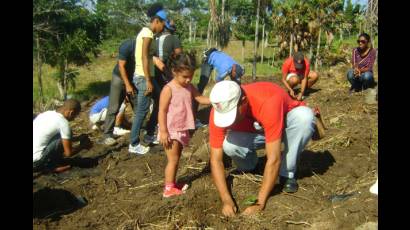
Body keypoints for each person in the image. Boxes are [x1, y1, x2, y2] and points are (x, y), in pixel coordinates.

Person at [208, 81, 316, 217]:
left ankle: (287, 173)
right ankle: (251, 166)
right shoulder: (219, 108)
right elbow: (216, 161)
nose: (230, 122)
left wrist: (260, 202)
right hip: (257, 130)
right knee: (229, 144)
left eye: (232, 115)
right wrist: (226, 200)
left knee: (304, 118)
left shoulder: (267, 100)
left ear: (244, 101)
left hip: (285, 126)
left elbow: (274, 158)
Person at [158, 53, 210, 197]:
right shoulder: (168, 89)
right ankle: (168, 189)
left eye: (191, 76)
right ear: (174, 72)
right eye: (185, 77)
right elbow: (161, 111)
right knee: (173, 159)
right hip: (171, 130)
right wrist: (163, 131)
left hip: (182, 128)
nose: (188, 80)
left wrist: (215, 100)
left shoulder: (189, 87)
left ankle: (172, 184)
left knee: (177, 157)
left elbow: (199, 98)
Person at [128, 3, 167, 155]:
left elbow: (151, 57)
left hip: (146, 77)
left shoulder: (148, 34)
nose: (163, 27)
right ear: (156, 21)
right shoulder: (147, 33)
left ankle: (150, 134)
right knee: (142, 111)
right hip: (143, 78)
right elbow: (144, 57)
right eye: (162, 24)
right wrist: (149, 80)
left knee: (161, 100)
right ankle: (134, 143)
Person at [144, 19, 182, 145]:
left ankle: (153, 128)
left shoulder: (155, 38)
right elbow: (179, 56)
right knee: (168, 101)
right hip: (167, 72)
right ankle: (162, 128)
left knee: (159, 101)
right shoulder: (174, 38)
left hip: (155, 72)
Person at [33, 99, 90, 173]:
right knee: (64, 136)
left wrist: (78, 138)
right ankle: (51, 166)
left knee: (63, 136)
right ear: (71, 112)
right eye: (75, 116)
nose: (74, 119)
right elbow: (68, 153)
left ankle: (51, 164)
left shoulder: (46, 114)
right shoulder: (63, 123)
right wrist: (83, 146)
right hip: (36, 163)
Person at [194, 49, 244, 128]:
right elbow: (218, 83)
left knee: (236, 85)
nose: (236, 77)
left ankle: (235, 106)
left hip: (217, 54)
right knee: (202, 85)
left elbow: (238, 81)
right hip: (208, 58)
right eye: (235, 75)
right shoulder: (225, 70)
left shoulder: (239, 67)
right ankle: (194, 113)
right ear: (233, 70)